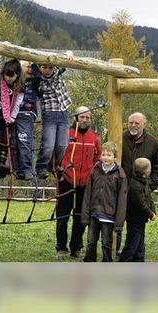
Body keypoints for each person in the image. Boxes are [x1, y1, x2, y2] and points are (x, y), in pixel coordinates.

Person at [56, 106, 102, 258]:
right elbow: (56, 156)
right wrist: (60, 173)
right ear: (76, 117)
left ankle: (76, 247)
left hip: (85, 184)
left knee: (80, 218)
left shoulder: (94, 138)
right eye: (82, 117)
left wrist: (91, 174)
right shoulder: (65, 135)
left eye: (87, 117)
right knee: (62, 216)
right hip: (67, 181)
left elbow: (98, 158)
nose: (84, 120)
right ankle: (61, 248)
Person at [81, 142, 128, 262]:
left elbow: (122, 200)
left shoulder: (120, 174)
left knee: (106, 244)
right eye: (104, 155)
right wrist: (85, 215)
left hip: (109, 215)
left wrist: (119, 222)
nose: (106, 158)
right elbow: (88, 194)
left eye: (109, 155)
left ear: (115, 158)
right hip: (94, 213)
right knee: (91, 242)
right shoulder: (95, 170)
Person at [33, 59, 73, 179]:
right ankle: (41, 166)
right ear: (39, 68)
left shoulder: (57, 73)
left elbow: (64, 62)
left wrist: (69, 55)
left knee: (63, 144)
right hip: (49, 113)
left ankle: (55, 164)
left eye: (50, 67)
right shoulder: (38, 79)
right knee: (49, 144)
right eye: (44, 67)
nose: (47, 70)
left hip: (63, 112)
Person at [0, 58, 24, 178]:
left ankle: (1, 165)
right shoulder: (1, 81)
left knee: (6, 140)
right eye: (6, 75)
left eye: (11, 76)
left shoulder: (19, 88)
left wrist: (12, 117)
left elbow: (18, 103)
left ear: (17, 75)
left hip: (7, 117)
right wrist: (2, 54)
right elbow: (0, 65)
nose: (8, 78)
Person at [118, 158, 156, 262]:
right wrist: (150, 214)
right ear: (146, 171)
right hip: (134, 218)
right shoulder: (135, 185)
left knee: (140, 242)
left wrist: (153, 209)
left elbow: (148, 197)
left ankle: (139, 259)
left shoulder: (145, 181)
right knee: (132, 243)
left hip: (141, 219)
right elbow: (141, 204)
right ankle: (124, 260)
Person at [121, 112, 158, 191]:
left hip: (142, 190)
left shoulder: (153, 143)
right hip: (122, 189)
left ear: (144, 125)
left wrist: (150, 186)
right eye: (131, 123)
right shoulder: (120, 139)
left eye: (137, 123)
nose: (133, 125)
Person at [13, 61, 40, 180]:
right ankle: (18, 169)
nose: (30, 70)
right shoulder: (15, 80)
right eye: (27, 67)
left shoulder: (34, 82)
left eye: (32, 68)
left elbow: (38, 75)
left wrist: (34, 65)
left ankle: (27, 169)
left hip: (26, 114)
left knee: (24, 140)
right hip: (12, 114)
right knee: (13, 142)